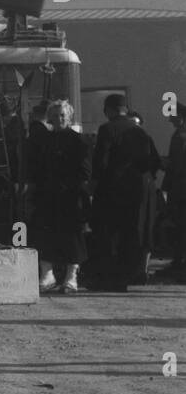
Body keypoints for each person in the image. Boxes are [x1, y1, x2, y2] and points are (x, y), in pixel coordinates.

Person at [88, 92, 161, 291]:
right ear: (126, 110)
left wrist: (94, 185)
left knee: (109, 234)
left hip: (112, 190)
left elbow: (101, 161)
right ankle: (125, 276)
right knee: (129, 234)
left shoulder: (107, 129)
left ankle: (109, 279)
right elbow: (154, 161)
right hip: (138, 192)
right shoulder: (140, 132)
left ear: (108, 110)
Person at [28, 99, 90, 293]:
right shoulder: (43, 141)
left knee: (72, 236)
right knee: (45, 234)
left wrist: (68, 185)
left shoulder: (79, 141)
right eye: (55, 116)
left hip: (70, 197)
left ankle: (71, 278)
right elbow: (36, 168)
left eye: (62, 115)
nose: (59, 119)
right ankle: (47, 275)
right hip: (47, 196)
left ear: (69, 117)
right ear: (49, 118)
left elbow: (85, 171)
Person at [154, 99, 186, 282]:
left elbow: (178, 164)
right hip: (178, 188)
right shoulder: (178, 135)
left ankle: (180, 260)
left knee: (181, 224)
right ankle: (179, 259)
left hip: (180, 188)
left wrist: (166, 164)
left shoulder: (180, 136)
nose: (170, 120)